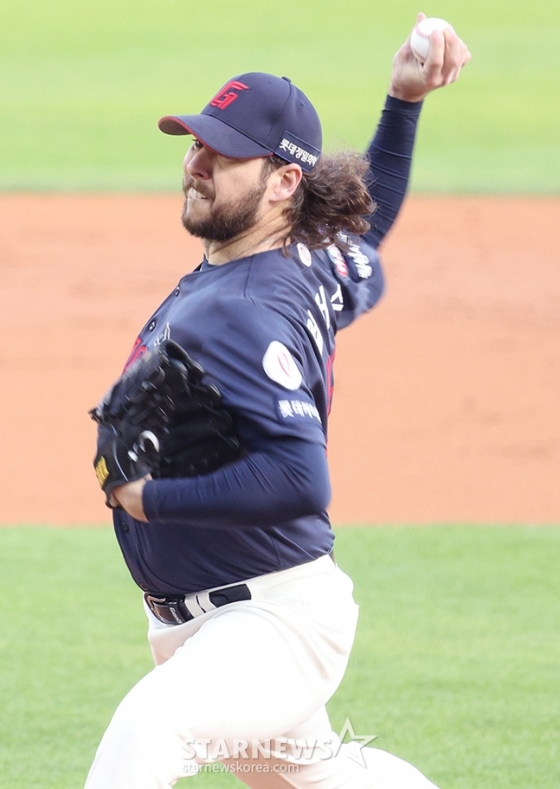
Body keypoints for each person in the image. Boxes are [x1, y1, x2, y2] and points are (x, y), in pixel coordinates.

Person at [85, 13, 470, 789]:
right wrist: (403, 102)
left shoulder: (248, 310)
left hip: (271, 623)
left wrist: (150, 497)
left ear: (283, 181)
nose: (196, 163)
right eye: (195, 143)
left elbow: (302, 480)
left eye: (222, 154)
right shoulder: (300, 261)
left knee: (146, 731)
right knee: (317, 778)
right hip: (208, 619)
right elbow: (370, 218)